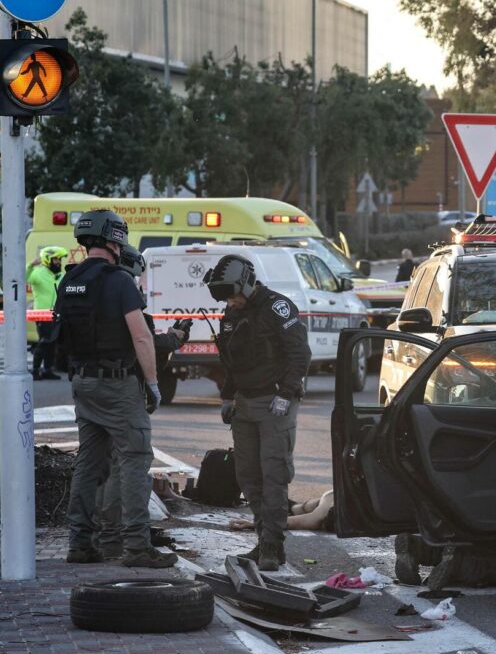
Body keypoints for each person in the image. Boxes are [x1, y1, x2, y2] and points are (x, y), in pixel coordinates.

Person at [55, 209, 176, 567]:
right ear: (114, 238)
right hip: (116, 384)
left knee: (88, 463)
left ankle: (80, 544)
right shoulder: (119, 281)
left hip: (83, 382)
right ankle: (137, 547)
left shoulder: (69, 280)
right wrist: (153, 383)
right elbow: (141, 336)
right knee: (136, 458)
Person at [205, 254, 311, 572]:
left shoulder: (277, 307)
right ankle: (262, 537)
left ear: (247, 285)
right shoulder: (232, 312)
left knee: (274, 476)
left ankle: (272, 546)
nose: (231, 302)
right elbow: (231, 361)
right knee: (248, 477)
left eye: (233, 294)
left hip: (275, 403)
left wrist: (287, 392)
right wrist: (228, 398)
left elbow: (300, 353)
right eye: (225, 297)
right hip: (245, 404)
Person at [94, 244, 192, 559]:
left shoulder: (94, 293)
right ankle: (133, 542)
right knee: (131, 464)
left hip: (93, 390)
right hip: (124, 391)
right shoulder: (125, 296)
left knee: (105, 466)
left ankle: (106, 539)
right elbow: (146, 341)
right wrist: (175, 339)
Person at [27, 245, 66, 380]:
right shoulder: (38, 273)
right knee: (44, 342)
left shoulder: (60, 275)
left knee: (52, 344)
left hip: (56, 314)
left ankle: (48, 370)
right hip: (42, 314)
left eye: (59, 259)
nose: (58, 262)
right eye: (56, 259)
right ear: (48, 259)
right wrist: (31, 265)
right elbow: (24, 278)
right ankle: (36, 369)